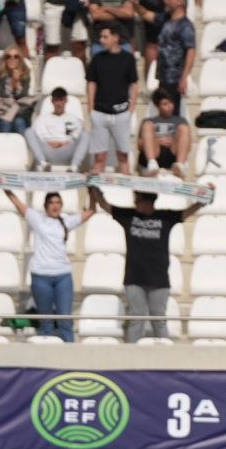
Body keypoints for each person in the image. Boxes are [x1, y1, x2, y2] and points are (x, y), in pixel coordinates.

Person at [91, 183, 202, 342]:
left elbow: (187, 213)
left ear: (148, 201)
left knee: (159, 320)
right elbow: (104, 205)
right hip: (134, 279)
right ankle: (132, 359)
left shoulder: (165, 216)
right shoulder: (128, 215)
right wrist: (95, 187)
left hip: (159, 279)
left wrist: (202, 200)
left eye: (138, 200)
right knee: (136, 318)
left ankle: (164, 359)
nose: (135, 203)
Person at [3, 187, 86, 340]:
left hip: (63, 276)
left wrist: (93, 191)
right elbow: (17, 203)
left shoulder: (67, 221)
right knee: (46, 322)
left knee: (65, 320)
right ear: (45, 205)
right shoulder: (37, 219)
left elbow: (91, 212)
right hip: (41, 276)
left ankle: (71, 357)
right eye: (52, 202)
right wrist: (5, 186)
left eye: (58, 202)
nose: (55, 206)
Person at [86, 23, 138, 173]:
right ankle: (95, 194)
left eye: (105, 37)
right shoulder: (97, 59)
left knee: (123, 156)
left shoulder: (128, 59)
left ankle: (127, 193)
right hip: (100, 112)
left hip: (121, 113)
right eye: (101, 37)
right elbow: (92, 84)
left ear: (115, 38)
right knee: (99, 158)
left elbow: (134, 85)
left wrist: (131, 109)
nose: (102, 40)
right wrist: (91, 109)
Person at [137, 89, 192, 177]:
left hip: (172, 154)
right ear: (157, 106)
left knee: (184, 128)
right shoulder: (148, 121)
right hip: (155, 152)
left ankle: (180, 166)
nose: (169, 106)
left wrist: (173, 141)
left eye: (171, 103)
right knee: (148, 125)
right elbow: (139, 146)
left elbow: (188, 147)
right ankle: (152, 164)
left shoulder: (181, 121)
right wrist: (156, 140)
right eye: (165, 104)